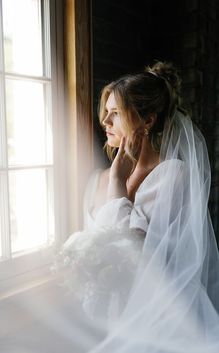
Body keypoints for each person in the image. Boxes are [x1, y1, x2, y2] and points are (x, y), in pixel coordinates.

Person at [57, 61, 219, 353]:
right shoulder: (97, 180)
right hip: (101, 320)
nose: (105, 122)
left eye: (116, 114)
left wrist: (119, 184)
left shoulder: (171, 175)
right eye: (106, 112)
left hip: (157, 322)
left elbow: (140, 257)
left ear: (148, 121)